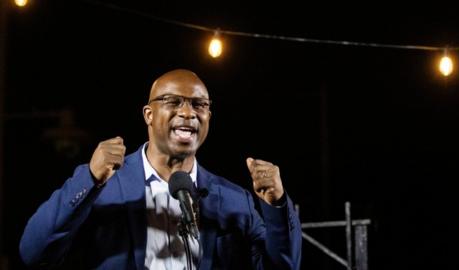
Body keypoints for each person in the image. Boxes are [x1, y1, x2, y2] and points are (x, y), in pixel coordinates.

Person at [19, 69, 302, 270]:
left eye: (199, 104)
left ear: (209, 116)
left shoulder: (233, 199)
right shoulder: (104, 185)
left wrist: (276, 206)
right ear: (149, 115)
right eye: (173, 101)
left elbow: (284, 266)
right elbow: (34, 253)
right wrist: (91, 178)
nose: (188, 112)